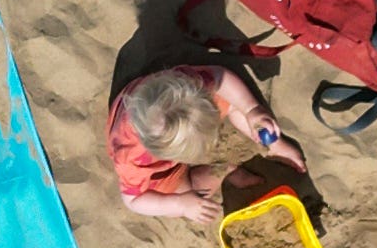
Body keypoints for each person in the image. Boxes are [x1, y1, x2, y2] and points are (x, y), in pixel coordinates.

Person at [108, 59, 301, 223]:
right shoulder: (130, 157)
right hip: (156, 161)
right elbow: (133, 201)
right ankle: (226, 171)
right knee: (184, 199)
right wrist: (181, 204)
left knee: (236, 105)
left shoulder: (186, 87)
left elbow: (221, 77)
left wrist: (251, 110)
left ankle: (275, 147)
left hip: (158, 100)